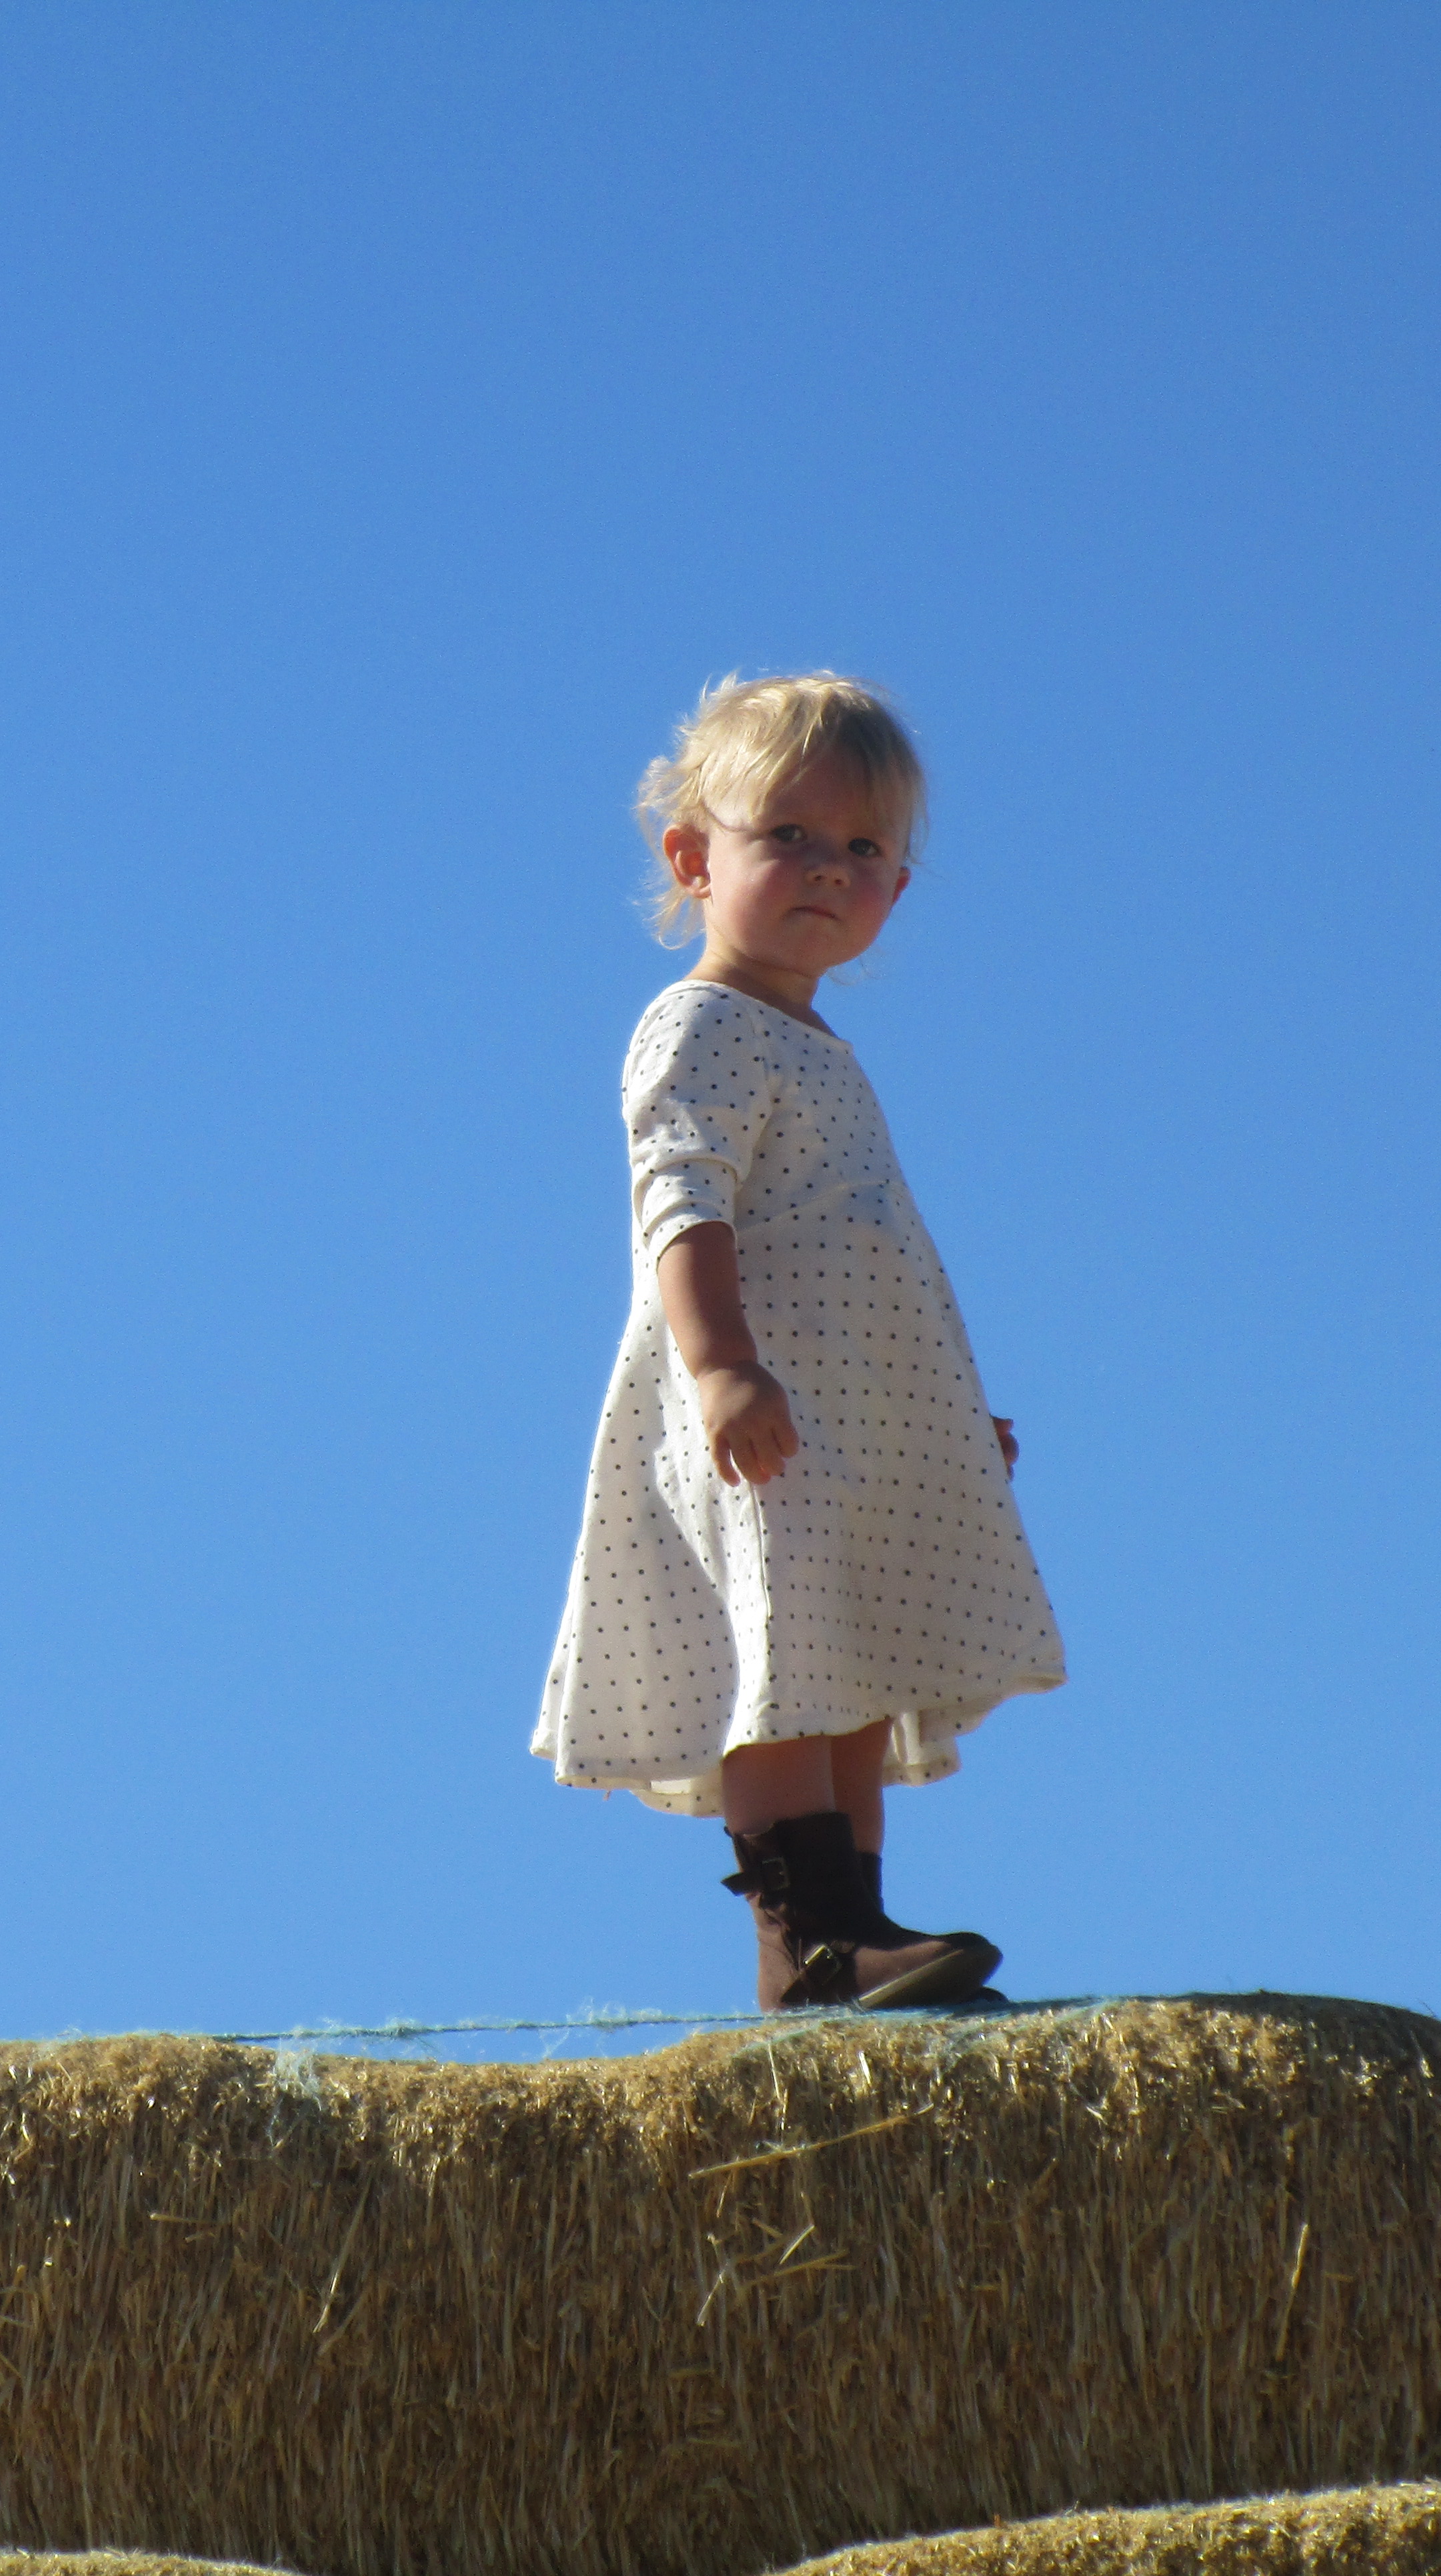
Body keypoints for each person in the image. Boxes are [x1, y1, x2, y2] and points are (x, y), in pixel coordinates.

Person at [534, 673, 1067, 2012]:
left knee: (846, 1657)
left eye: (863, 848)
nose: (829, 868)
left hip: (844, 1421)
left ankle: (856, 1926)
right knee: (777, 1658)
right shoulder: (700, 1023)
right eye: (787, 835)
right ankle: (808, 1937)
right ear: (691, 857)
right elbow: (682, 1199)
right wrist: (720, 1366)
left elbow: (867, 1257)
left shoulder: (820, 1047)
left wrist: (943, 1413)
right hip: (757, 1418)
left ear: (898, 888)